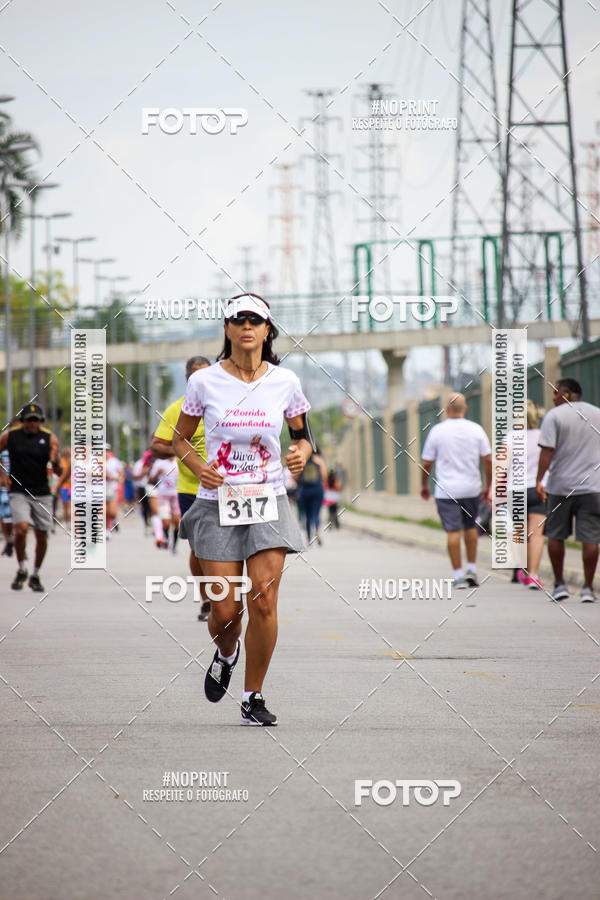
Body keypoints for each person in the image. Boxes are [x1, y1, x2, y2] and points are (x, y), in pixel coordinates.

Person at [173, 293, 313, 726]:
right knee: (225, 609)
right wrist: (199, 466)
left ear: (268, 330)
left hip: (268, 499)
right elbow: (180, 440)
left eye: (256, 320)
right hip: (218, 503)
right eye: (239, 319)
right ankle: (226, 651)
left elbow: (303, 437)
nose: (247, 326)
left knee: (264, 600)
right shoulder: (204, 382)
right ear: (228, 329)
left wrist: (301, 454)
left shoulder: (285, 382)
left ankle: (253, 696)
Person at [151, 356, 211, 618]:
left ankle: (230, 597)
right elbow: (157, 445)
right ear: (188, 380)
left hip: (229, 488)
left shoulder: (228, 404)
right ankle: (208, 598)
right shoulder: (178, 409)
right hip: (191, 490)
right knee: (199, 548)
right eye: (196, 376)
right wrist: (180, 448)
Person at [536, 378, 600, 603]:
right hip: (593, 486)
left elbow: (547, 452)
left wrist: (539, 480)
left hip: (561, 487)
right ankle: (588, 589)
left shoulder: (554, 416)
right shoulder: (597, 414)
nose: (553, 398)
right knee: (591, 537)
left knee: (556, 535)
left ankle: (560, 585)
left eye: (555, 393)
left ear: (566, 394)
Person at [421, 392, 492, 589]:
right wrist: (489, 484)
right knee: (470, 528)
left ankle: (458, 576)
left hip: (446, 491)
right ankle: (471, 569)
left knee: (453, 531)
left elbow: (427, 463)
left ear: (446, 409)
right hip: (471, 489)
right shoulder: (476, 430)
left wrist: (423, 484)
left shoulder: (437, 431)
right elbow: (487, 459)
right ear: (465, 409)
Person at [0, 404, 62, 592]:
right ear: (22, 421)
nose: (32, 424)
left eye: (36, 420)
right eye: (29, 420)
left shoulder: (49, 438)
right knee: (21, 529)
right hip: (18, 491)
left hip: (42, 492)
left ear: (40, 421)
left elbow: (59, 470)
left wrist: (55, 460)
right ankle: (21, 567)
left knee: (42, 536)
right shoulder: (10, 436)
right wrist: (3, 475)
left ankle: (35, 573)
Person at [511, 400, 547, 590]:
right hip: (538, 488)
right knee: (536, 535)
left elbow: (502, 467)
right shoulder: (544, 436)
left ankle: (523, 570)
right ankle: (534, 575)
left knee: (519, 534)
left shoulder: (511, 438)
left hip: (515, 490)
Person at [148, 455, 180, 552]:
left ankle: (174, 545)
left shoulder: (179, 460)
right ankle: (166, 538)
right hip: (163, 495)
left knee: (177, 522)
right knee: (166, 522)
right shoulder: (159, 462)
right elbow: (151, 480)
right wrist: (157, 473)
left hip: (176, 495)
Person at [297, 447, 327, 544]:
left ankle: (309, 538)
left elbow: (294, 476)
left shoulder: (302, 460)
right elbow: (324, 476)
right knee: (316, 513)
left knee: (307, 515)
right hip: (317, 489)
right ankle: (317, 530)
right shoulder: (319, 460)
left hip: (305, 490)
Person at [105, 444, 124, 538]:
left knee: (112, 512)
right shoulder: (96, 461)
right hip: (100, 489)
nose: (104, 452)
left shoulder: (114, 462)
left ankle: (114, 520)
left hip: (112, 488)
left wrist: (118, 480)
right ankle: (107, 530)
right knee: (105, 511)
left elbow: (121, 475)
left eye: (106, 450)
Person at [55, 446, 72, 524]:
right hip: (64, 487)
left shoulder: (74, 461)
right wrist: (58, 487)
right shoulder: (62, 462)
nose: (68, 453)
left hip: (73, 487)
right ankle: (68, 523)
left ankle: (73, 523)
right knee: (66, 506)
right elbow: (61, 474)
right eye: (67, 451)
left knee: (73, 506)